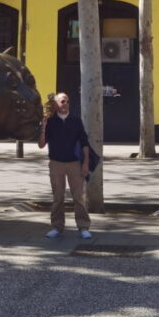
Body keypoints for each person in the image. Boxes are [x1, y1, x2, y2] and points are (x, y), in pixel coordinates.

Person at [38, 92, 92, 240]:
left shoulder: (75, 120)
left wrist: (86, 163)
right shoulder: (50, 121)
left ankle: (83, 227)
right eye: (62, 102)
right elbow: (41, 145)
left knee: (78, 197)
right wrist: (43, 127)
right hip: (56, 164)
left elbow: (84, 143)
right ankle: (57, 227)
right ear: (56, 104)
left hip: (74, 163)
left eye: (67, 101)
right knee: (58, 197)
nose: (66, 104)